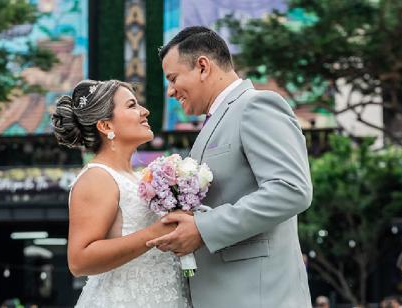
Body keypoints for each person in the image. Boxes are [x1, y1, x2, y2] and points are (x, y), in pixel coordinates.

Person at [147, 26, 313, 307]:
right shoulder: (216, 120)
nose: (171, 91)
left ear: (202, 66)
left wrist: (203, 228)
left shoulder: (256, 106)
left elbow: (292, 189)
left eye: (173, 78)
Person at [51, 80, 190, 307]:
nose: (144, 111)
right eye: (132, 105)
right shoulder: (97, 178)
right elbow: (79, 260)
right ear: (106, 126)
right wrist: (155, 233)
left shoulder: (136, 177)